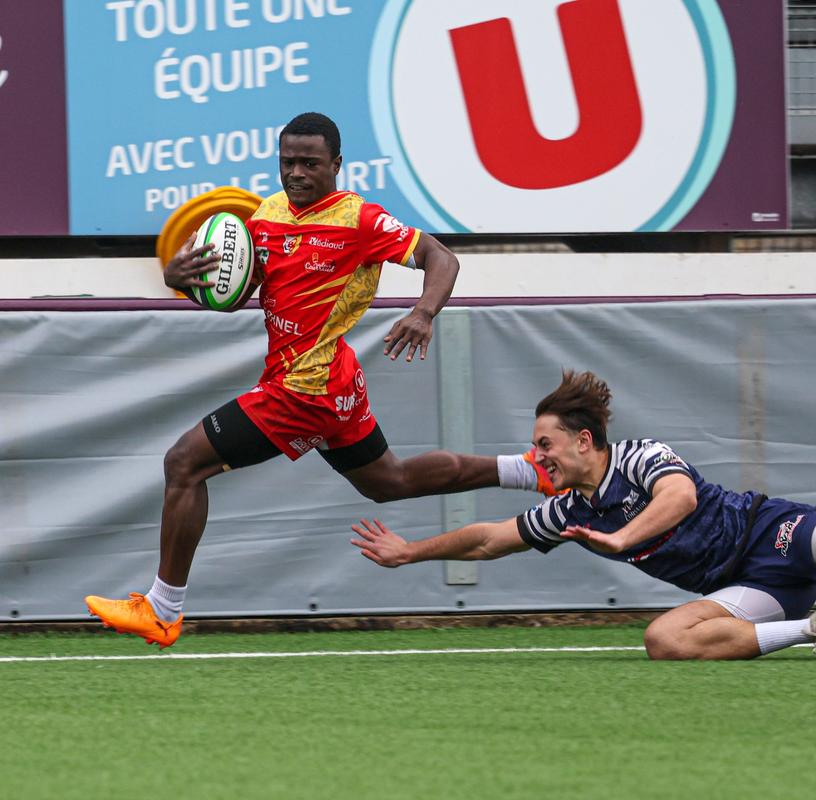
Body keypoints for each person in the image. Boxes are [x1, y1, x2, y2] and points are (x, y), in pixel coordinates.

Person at [85, 113, 556, 648]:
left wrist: (423, 313)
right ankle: (528, 470)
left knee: (183, 463)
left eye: (310, 163)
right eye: (288, 162)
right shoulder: (267, 215)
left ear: (336, 164)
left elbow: (439, 258)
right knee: (389, 482)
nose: (297, 173)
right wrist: (184, 280)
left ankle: (163, 609)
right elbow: (240, 293)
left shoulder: (360, 221)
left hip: (303, 392)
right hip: (330, 381)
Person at [349, 370, 816, 661]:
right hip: (747, 588)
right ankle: (815, 628)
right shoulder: (566, 507)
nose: (533, 454)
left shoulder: (637, 456)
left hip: (775, 536)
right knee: (664, 641)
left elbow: (682, 499)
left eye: (543, 442)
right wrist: (409, 552)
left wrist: (621, 536)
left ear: (583, 441)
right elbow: (487, 539)